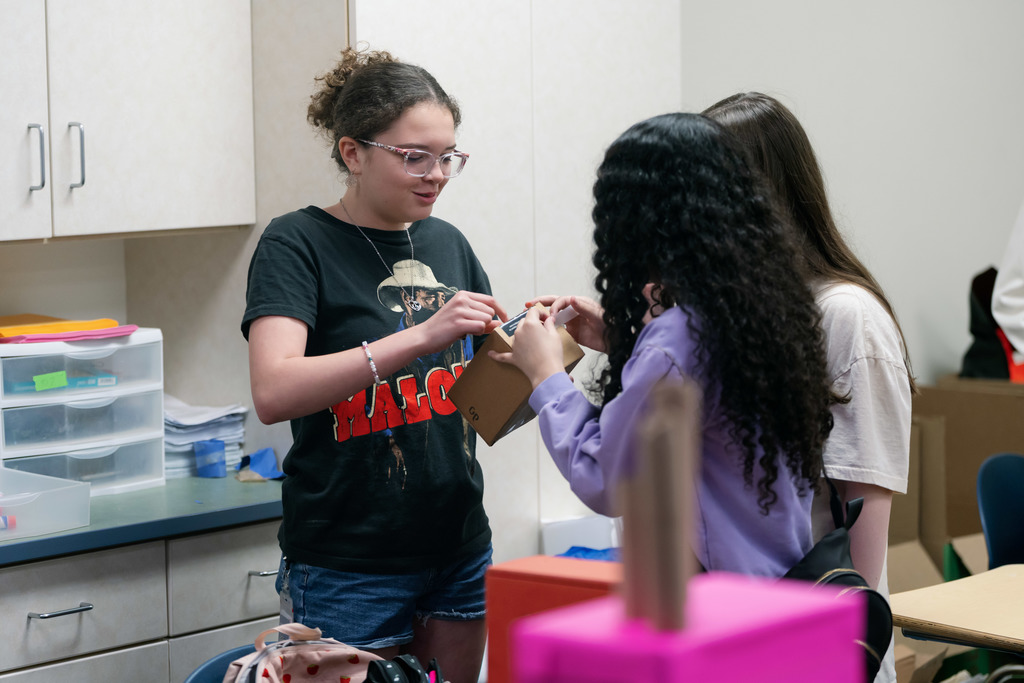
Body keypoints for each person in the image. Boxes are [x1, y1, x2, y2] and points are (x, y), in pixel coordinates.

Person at [241, 47, 507, 683]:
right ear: (352, 153)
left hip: (458, 545)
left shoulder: (447, 243)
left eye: (448, 157)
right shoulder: (295, 242)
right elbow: (275, 390)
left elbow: (484, 403)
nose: (436, 174)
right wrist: (418, 338)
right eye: (415, 156)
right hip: (346, 561)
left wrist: (538, 348)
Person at [494, 112, 836, 580]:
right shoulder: (762, 314)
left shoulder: (676, 338)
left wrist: (546, 374)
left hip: (719, 613)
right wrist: (625, 344)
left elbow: (605, 479)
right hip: (778, 595)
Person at [703, 92, 913, 683]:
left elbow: (861, 553)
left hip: (823, 651)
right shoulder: (744, 312)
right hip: (739, 635)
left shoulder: (847, 318)